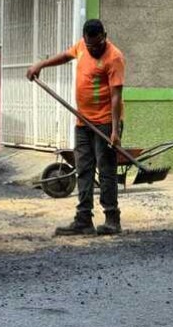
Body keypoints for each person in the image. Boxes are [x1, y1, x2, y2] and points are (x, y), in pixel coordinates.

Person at [26, 19, 126, 236]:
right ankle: (83, 220)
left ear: (105, 36)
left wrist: (115, 131)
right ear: (85, 40)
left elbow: (117, 97)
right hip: (83, 121)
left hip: (106, 122)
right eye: (90, 45)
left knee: (106, 171)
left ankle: (112, 219)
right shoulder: (81, 46)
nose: (94, 49)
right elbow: (65, 56)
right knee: (84, 170)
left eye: (98, 44)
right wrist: (40, 65)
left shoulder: (114, 57)